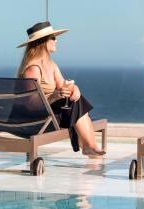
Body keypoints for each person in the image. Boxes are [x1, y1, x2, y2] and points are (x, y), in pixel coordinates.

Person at [17, 21, 105, 156]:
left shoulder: (51, 65)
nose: (56, 41)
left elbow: (63, 85)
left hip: (51, 115)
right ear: (43, 41)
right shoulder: (33, 69)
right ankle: (88, 146)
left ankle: (89, 146)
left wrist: (75, 89)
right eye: (52, 38)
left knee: (75, 99)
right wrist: (55, 96)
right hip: (39, 119)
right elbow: (31, 104)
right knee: (74, 103)